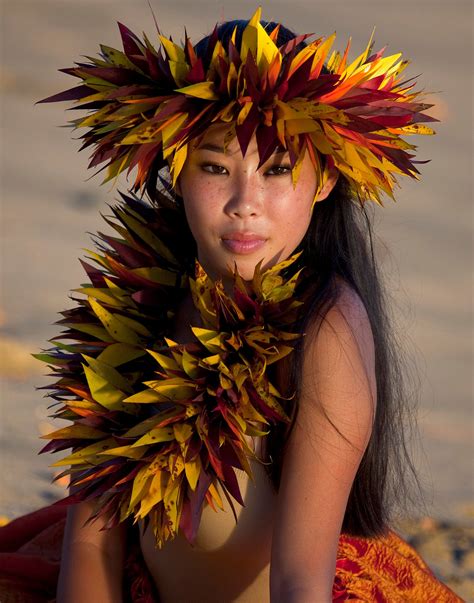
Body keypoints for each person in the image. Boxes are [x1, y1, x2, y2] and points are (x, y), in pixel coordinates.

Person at [0, 8, 463, 602]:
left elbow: (300, 583)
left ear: (323, 181)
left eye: (277, 170)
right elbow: (92, 545)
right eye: (216, 166)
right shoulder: (134, 301)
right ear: (178, 169)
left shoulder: (328, 330)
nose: (246, 203)